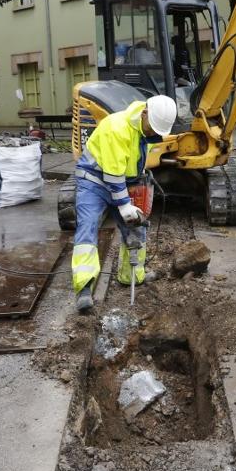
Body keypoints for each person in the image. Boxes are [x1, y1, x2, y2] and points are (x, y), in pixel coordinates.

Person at [70, 95, 177, 313]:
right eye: (152, 128)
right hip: (94, 181)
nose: (153, 133)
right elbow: (112, 174)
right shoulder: (116, 127)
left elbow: (129, 165)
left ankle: (132, 277)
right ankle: (84, 288)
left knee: (136, 227)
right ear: (144, 113)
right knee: (88, 227)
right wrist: (124, 205)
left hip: (123, 182)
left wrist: (135, 194)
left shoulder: (144, 131)